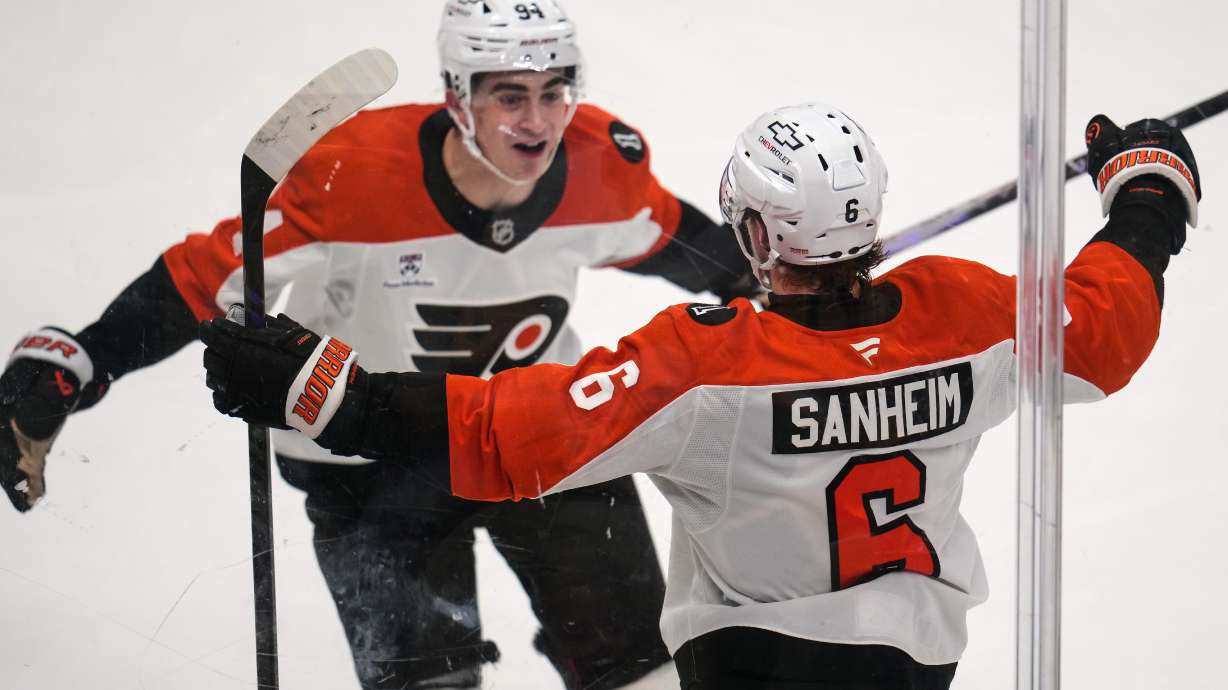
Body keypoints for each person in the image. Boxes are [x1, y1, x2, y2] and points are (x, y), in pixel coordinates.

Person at [196, 101, 1200, 690]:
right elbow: (1103, 331)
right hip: (916, 669)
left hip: (757, 672)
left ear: (759, 234)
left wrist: (318, 387)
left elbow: (508, 434)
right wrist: (1148, 200)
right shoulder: (969, 311)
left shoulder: (702, 364)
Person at [0, 1, 760, 688]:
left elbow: (697, 253)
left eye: (555, 91)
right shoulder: (353, 173)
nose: (538, 120)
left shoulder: (601, 166)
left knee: (638, 668)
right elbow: (205, 278)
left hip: (538, 437)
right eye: (510, 95)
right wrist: (80, 358)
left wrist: (778, 288)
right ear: (458, 96)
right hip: (368, 455)